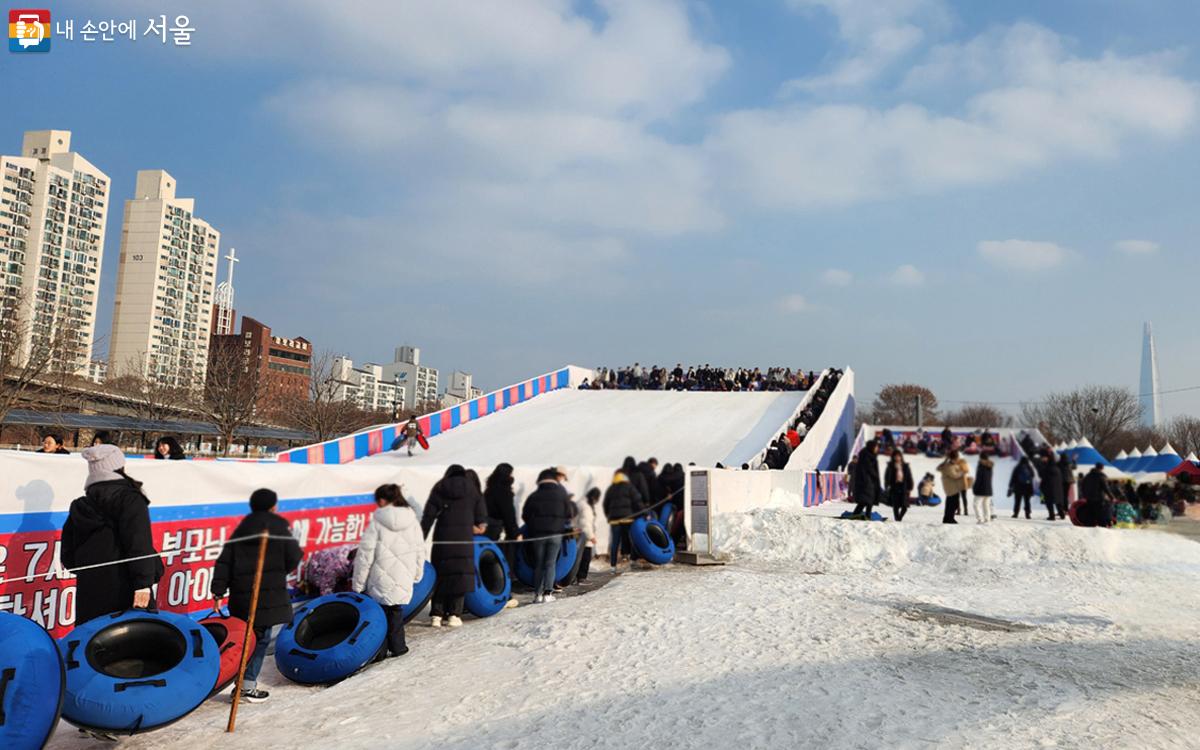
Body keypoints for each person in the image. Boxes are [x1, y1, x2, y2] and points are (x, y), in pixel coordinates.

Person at [210, 488, 302, 703]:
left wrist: (218, 591)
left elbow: (224, 563)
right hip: (267, 597)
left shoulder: (242, 529)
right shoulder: (278, 527)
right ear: (273, 506)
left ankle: (240, 682)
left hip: (241, 597)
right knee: (258, 641)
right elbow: (293, 557)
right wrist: (278, 571)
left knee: (244, 639)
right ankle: (245, 686)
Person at [61, 445, 163, 625]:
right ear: (119, 467)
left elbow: (68, 556)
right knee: (132, 644)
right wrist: (143, 584)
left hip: (90, 592)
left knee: (92, 644)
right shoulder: (130, 499)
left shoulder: (80, 505)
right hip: (126, 589)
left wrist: (91, 571)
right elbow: (139, 544)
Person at [352, 484, 426, 658]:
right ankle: (399, 647)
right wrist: (417, 573)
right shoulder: (412, 520)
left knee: (379, 614)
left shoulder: (377, 522)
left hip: (380, 576)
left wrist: (358, 584)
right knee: (395, 611)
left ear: (383, 500)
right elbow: (420, 550)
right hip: (403, 575)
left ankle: (380, 650)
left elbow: (365, 556)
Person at [421, 465, 487, 627]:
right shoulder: (471, 489)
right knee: (460, 575)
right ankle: (454, 615)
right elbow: (481, 515)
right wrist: (480, 525)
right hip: (463, 539)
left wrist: (420, 537)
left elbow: (428, 516)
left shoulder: (440, 487)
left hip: (443, 539)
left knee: (441, 575)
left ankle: (436, 615)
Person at [522, 468, 576, 603]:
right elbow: (569, 514)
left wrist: (535, 526)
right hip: (555, 534)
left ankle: (537, 595)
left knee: (539, 564)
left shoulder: (534, 496)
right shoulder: (561, 494)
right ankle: (547, 593)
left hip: (538, 535)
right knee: (550, 563)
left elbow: (525, 515)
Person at [603, 470, 643, 568]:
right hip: (627, 519)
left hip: (614, 521)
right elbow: (637, 501)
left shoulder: (611, 489)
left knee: (615, 543)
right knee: (632, 539)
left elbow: (605, 504)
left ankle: (613, 566)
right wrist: (643, 512)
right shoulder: (629, 487)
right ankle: (633, 561)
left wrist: (609, 516)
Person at [484, 463, 519, 573]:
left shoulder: (489, 490)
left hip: (485, 527)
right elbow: (508, 514)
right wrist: (515, 532)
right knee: (498, 558)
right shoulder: (504, 492)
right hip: (497, 528)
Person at [938, 450, 970, 524]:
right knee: (953, 503)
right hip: (951, 487)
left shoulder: (951, 464)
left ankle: (948, 518)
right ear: (953, 458)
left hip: (952, 487)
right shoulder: (949, 466)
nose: (958, 459)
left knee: (951, 503)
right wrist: (962, 472)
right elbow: (954, 475)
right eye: (957, 458)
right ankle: (949, 518)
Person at [850, 441, 881, 519]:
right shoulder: (866, 456)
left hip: (869, 483)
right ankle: (862, 514)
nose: (877, 449)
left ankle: (864, 515)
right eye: (876, 447)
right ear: (871, 447)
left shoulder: (870, 455)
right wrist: (874, 476)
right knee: (866, 501)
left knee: (867, 501)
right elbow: (869, 469)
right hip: (866, 483)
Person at [576, 488, 600, 583]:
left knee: (579, 558)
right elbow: (585, 523)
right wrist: (591, 536)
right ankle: (581, 578)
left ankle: (578, 577)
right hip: (584, 537)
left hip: (579, 535)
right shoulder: (586, 507)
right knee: (585, 558)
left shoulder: (581, 504)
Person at [883, 449, 913, 522]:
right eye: (895, 456)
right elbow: (887, 477)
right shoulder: (890, 466)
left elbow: (909, 476)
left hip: (903, 486)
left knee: (904, 506)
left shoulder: (905, 466)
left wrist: (910, 486)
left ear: (901, 457)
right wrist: (887, 485)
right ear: (893, 457)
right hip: (894, 486)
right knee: (895, 505)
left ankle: (899, 518)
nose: (897, 458)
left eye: (898, 456)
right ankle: (897, 519)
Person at [1038, 455, 1064, 521]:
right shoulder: (1058, 469)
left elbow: (1043, 478)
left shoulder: (1047, 469)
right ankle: (1062, 515)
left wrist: (1041, 487)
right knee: (1058, 502)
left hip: (1049, 489)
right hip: (1058, 489)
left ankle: (1051, 516)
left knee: (1049, 503)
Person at [973, 454, 995, 524]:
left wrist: (975, 488)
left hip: (981, 489)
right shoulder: (990, 466)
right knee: (986, 505)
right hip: (988, 489)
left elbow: (979, 479)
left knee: (976, 504)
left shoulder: (981, 466)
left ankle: (980, 519)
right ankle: (987, 519)